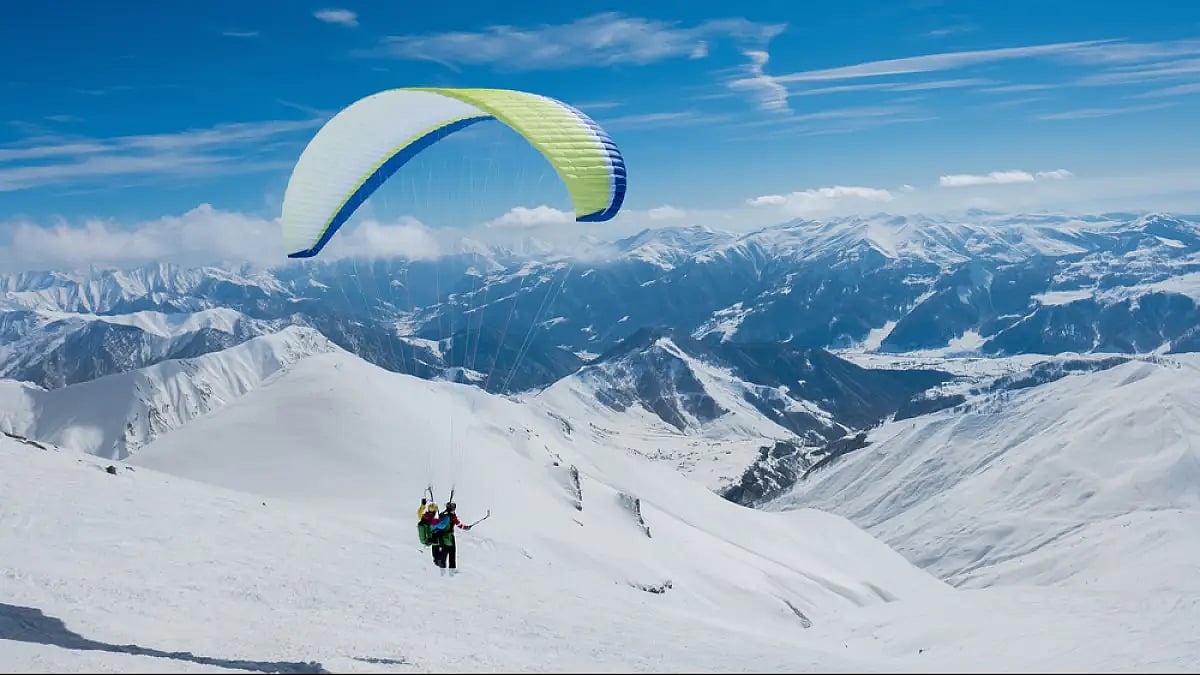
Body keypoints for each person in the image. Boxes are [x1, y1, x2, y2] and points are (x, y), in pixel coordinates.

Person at [429, 501, 471, 575]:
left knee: (444, 552)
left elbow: (438, 522)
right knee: (452, 553)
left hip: (441, 536)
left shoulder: (442, 514)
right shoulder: (452, 517)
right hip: (450, 536)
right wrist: (466, 527)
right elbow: (459, 525)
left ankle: (442, 570)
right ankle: (452, 571)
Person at [417, 498, 440, 566]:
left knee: (436, 542)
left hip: (424, 539)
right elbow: (440, 525)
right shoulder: (432, 521)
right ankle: (437, 559)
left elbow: (419, 512)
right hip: (427, 540)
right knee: (438, 542)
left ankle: (437, 558)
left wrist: (423, 505)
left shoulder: (423, 517)